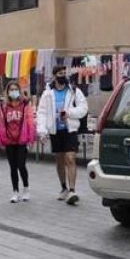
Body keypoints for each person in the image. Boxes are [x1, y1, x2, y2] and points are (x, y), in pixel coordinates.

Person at [36, 66, 88, 205]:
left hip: (70, 129)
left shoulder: (74, 90)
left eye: (64, 73)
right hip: (55, 131)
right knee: (59, 159)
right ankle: (63, 187)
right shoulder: (47, 93)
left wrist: (69, 113)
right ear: (54, 76)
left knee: (70, 158)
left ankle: (72, 190)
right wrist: (42, 130)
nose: (62, 76)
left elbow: (83, 108)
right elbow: (41, 112)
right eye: (60, 73)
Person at [0, 81, 35, 203]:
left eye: (15, 89)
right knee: (12, 167)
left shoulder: (24, 105)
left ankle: (26, 188)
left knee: (21, 165)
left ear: (19, 91)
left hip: (21, 140)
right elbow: (0, 123)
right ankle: (15, 191)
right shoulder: (4, 107)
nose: (13, 92)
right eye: (11, 90)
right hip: (9, 140)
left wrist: (30, 138)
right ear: (7, 92)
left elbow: (30, 122)